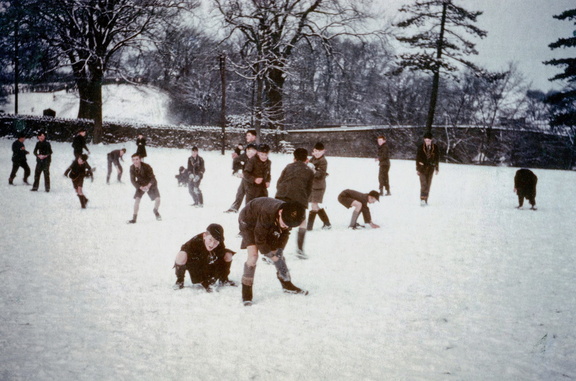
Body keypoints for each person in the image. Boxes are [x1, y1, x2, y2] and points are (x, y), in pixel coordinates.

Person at [238, 197, 308, 306]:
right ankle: (246, 293)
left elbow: (284, 235)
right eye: (284, 224)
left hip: (268, 222)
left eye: (288, 226)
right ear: (280, 212)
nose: (286, 227)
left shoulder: (289, 215)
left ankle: (287, 284)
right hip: (249, 220)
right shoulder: (268, 213)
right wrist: (272, 257)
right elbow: (259, 239)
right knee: (253, 256)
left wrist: (279, 253)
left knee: (278, 254)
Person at [173, 223, 237, 291]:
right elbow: (194, 268)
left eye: (216, 242)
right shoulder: (195, 243)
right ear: (204, 236)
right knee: (181, 256)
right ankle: (180, 280)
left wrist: (215, 277)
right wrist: (205, 283)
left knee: (228, 254)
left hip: (207, 260)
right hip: (192, 261)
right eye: (210, 240)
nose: (212, 244)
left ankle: (224, 279)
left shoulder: (219, 242)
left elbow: (220, 261)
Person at [275, 147, 314, 259]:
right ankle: (300, 250)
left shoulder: (288, 166)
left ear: (294, 158)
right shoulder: (309, 171)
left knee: (280, 224)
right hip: (298, 199)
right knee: (302, 223)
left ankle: (275, 250)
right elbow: (309, 189)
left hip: (281, 197)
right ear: (306, 159)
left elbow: (279, 182)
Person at [224, 130, 258, 213]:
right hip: (247, 173)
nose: (247, 137)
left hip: (250, 175)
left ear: (254, 137)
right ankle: (235, 208)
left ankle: (249, 210)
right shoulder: (249, 146)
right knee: (241, 191)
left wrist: (237, 153)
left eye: (249, 135)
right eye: (247, 135)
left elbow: (240, 158)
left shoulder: (253, 148)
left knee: (248, 193)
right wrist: (238, 151)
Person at [127, 153, 161, 223]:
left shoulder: (147, 166)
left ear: (140, 160)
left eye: (137, 159)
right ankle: (134, 219)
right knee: (137, 200)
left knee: (157, 199)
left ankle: (155, 211)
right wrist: (140, 187)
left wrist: (148, 186)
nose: (135, 161)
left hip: (150, 183)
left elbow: (153, 178)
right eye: (133, 160)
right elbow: (132, 180)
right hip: (141, 184)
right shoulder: (132, 168)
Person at [307, 142, 332, 231]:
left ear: (323, 152)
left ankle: (309, 227)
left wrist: (313, 169)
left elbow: (320, 175)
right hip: (312, 186)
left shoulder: (323, 161)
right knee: (315, 205)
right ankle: (327, 223)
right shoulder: (312, 158)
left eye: (319, 151)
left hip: (319, 186)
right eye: (315, 150)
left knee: (314, 205)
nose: (317, 153)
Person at [416, 132, 439, 206]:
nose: (427, 142)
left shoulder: (435, 147)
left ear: (431, 140)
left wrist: (436, 168)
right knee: (423, 184)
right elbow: (417, 158)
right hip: (422, 168)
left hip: (430, 168)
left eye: (429, 141)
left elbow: (436, 158)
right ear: (424, 140)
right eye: (426, 141)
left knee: (428, 184)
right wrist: (418, 169)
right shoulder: (421, 147)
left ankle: (426, 199)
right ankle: (422, 199)